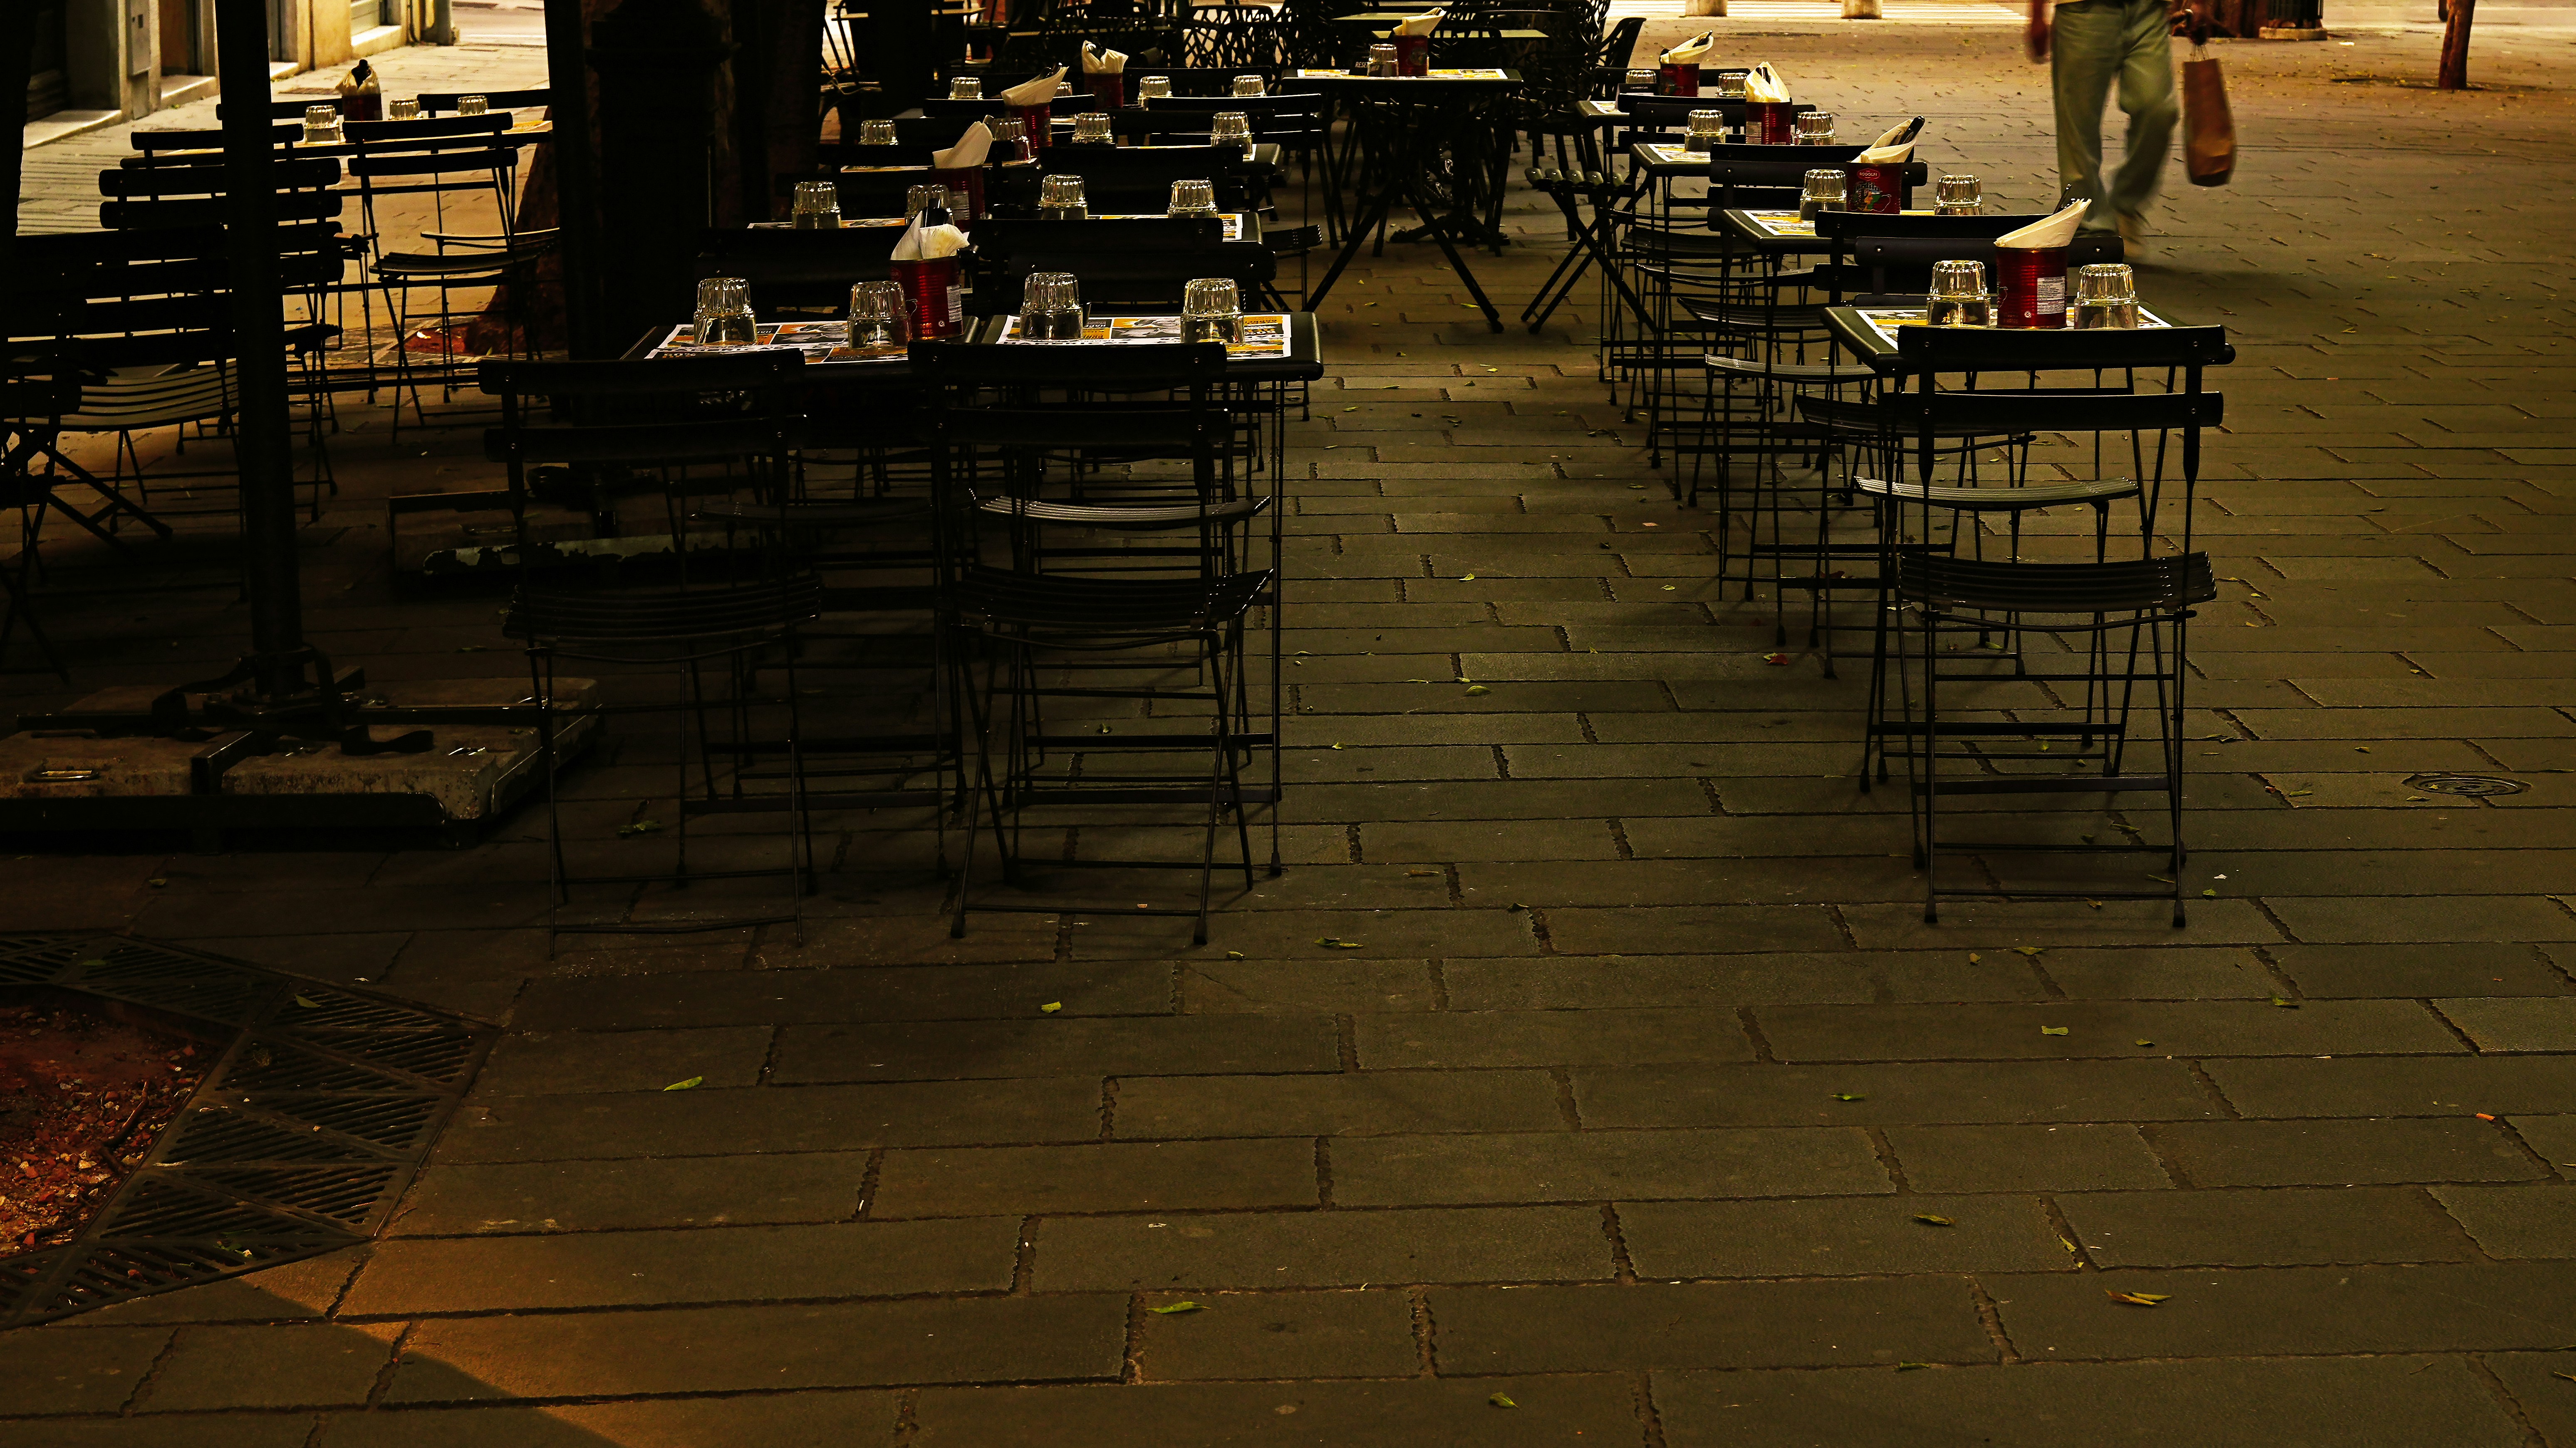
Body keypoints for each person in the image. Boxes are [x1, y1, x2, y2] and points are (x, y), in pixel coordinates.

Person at [2026, 0, 2183, 249]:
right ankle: (2090, 226)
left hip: (2150, 11)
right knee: (2078, 124)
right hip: (2084, 11)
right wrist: (2036, 13)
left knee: (2159, 110)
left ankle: (2126, 201)